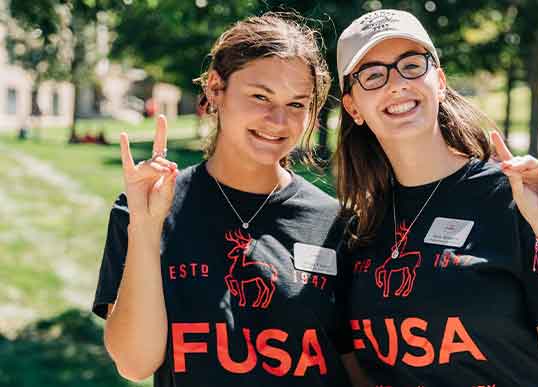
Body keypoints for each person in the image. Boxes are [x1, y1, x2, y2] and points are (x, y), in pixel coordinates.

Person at [334, 9, 538, 387]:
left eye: (411, 66)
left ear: (440, 81)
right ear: (353, 108)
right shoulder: (358, 230)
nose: (396, 84)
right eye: (374, 75)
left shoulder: (510, 196)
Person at [93, 13, 353, 387]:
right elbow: (135, 364)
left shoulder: (334, 222)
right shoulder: (144, 208)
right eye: (260, 96)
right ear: (216, 88)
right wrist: (147, 228)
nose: (278, 121)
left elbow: (350, 359)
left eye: (296, 104)